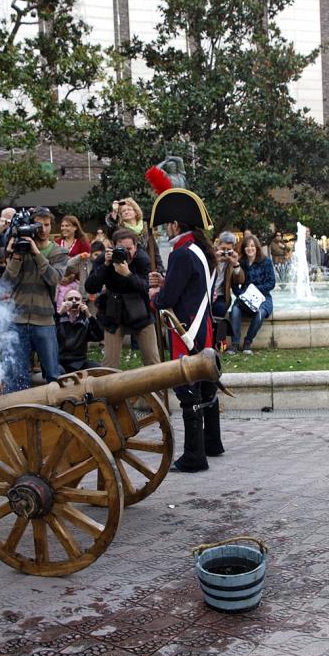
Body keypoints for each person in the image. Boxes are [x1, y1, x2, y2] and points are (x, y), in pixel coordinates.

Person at [146, 177, 223, 472]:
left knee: (186, 389)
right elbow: (191, 287)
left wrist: (154, 295)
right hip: (203, 327)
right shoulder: (199, 251)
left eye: (168, 225)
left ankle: (194, 455)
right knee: (205, 386)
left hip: (185, 330)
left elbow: (168, 299)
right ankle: (212, 443)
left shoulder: (180, 254)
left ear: (176, 225)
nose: (166, 229)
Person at [1, 207, 66, 390]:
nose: (43, 229)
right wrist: (16, 256)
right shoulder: (19, 249)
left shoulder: (58, 252)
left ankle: (55, 410)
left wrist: (37, 254)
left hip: (44, 321)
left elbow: (54, 278)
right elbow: (6, 282)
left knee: (52, 373)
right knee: (17, 374)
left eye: (47, 225)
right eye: (39, 225)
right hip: (18, 319)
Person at [85, 227, 160, 369]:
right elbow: (90, 287)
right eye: (122, 249)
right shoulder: (105, 259)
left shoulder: (142, 258)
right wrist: (106, 266)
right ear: (113, 247)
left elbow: (146, 288)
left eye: (129, 248)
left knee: (152, 359)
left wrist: (128, 274)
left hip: (140, 311)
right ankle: (108, 390)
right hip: (114, 312)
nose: (126, 253)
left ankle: (158, 389)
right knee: (109, 364)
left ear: (136, 247)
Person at [228, 234, 275, 354]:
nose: (250, 248)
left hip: (263, 297)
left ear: (257, 247)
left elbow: (271, 283)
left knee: (261, 313)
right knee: (235, 311)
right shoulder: (241, 263)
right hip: (244, 298)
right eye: (247, 246)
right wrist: (241, 294)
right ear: (244, 248)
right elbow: (234, 283)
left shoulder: (266, 262)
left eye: (252, 246)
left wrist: (254, 290)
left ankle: (247, 342)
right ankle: (234, 344)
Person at [56, 288, 103, 372]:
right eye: (70, 299)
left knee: (98, 369)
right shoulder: (59, 318)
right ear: (64, 302)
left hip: (80, 362)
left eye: (77, 299)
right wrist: (59, 312)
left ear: (82, 302)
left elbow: (99, 336)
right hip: (61, 362)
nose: (74, 301)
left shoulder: (86, 320)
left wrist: (89, 315)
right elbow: (49, 332)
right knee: (58, 371)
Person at [210, 231, 244, 348]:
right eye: (223, 248)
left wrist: (235, 264)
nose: (225, 252)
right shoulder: (210, 255)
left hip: (220, 296)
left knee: (219, 309)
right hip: (205, 294)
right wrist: (215, 261)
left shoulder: (231, 260)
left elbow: (240, 280)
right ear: (218, 245)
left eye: (228, 249)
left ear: (233, 249)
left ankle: (218, 342)